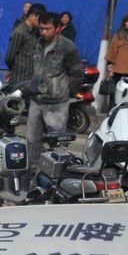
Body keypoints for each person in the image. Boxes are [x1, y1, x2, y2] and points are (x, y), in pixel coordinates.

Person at [27, 12, 83, 161]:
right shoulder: (36, 43)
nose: (44, 32)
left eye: (48, 28)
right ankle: (35, 172)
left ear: (58, 28)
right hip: (36, 101)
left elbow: (77, 73)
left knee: (57, 143)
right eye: (41, 28)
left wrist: (64, 90)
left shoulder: (67, 47)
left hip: (57, 104)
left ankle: (56, 175)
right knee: (32, 141)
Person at [5, 7, 40, 86]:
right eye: (39, 19)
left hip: (31, 77)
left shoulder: (35, 31)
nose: (40, 22)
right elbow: (9, 57)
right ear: (31, 16)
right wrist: (13, 70)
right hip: (19, 78)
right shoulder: (19, 32)